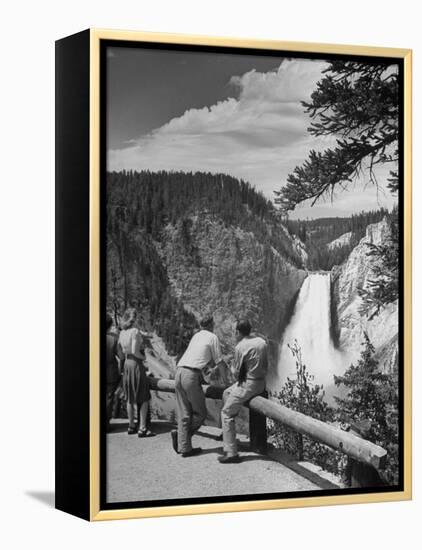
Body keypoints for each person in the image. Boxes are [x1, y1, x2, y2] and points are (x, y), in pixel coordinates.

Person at [172, 315, 227, 457]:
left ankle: (184, 446)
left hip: (178, 372)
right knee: (200, 413)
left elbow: (197, 356)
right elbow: (219, 361)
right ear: (211, 324)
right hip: (191, 375)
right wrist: (226, 382)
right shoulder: (212, 337)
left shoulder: (196, 336)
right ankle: (181, 438)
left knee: (184, 412)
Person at [218, 319, 268, 464]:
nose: (234, 334)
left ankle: (231, 452)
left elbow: (236, 373)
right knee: (227, 393)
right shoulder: (261, 341)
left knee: (226, 413)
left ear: (238, 332)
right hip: (261, 382)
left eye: (235, 332)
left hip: (248, 384)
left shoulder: (240, 347)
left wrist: (230, 366)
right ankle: (229, 432)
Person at [118, 308, 154, 437]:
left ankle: (131, 426)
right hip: (136, 364)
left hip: (127, 365)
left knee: (130, 397)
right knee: (143, 397)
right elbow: (134, 350)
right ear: (134, 318)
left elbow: (122, 351)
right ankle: (142, 428)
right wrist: (143, 357)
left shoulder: (122, 332)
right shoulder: (134, 331)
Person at [105, 313, 121, 430]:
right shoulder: (113, 339)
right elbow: (121, 356)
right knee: (109, 397)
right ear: (110, 325)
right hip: (111, 372)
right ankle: (106, 423)